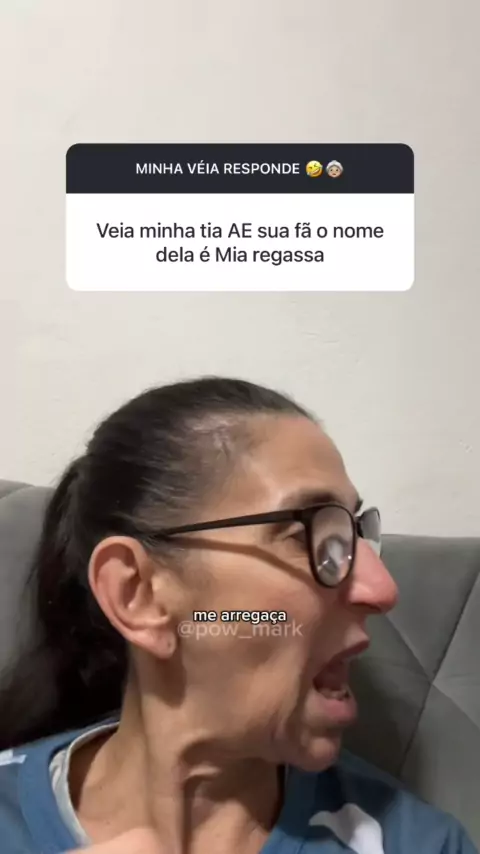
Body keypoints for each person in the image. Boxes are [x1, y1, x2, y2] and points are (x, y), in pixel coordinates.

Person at [0, 376, 476, 854]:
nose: (382, 588)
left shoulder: (422, 844)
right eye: (311, 536)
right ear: (137, 594)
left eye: (353, 535)